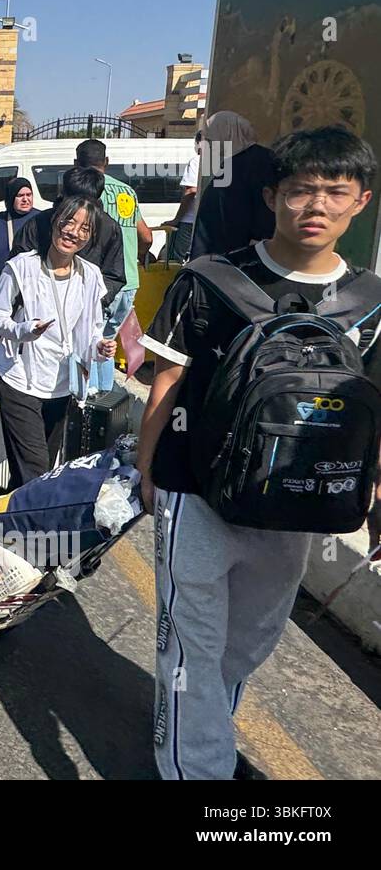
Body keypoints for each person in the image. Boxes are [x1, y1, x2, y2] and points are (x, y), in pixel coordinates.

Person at [137, 125, 381, 781]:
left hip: (294, 508)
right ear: (273, 195)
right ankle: (200, 774)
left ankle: (202, 743)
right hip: (195, 491)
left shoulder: (371, 302)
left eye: (336, 190)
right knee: (190, 649)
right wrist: (147, 468)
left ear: (360, 200)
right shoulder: (211, 279)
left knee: (240, 652)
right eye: (301, 189)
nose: (317, 205)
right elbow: (168, 379)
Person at [0, 194, 118, 487]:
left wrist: (99, 346)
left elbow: (91, 328)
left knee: (31, 472)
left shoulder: (90, 276)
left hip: (60, 384)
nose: (73, 232)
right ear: (55, 221)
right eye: (69, 222)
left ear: (91, 237)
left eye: (85, 228)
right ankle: (28, 528)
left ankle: (12, 522)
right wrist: (24, 331)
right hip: (19, 380)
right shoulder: (21, 267)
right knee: (36, 469)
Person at [73, 139, 152, 392]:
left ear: (76, 164)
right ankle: (105, 397)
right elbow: (147, 237)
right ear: (106, 162)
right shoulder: (127, 192)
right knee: (107, 341)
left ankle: (91, 403)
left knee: (89, 342)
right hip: (128, 281)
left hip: (101, 283)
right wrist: (135, 256)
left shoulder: (88, 193)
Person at [11, 165, 126, 310]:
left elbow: (113, 275)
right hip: (38, 312)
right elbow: (17, 267)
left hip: (86, 311)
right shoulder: (38, 223)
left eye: (85, 229)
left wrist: (95, 301)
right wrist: (35, 301)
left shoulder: (108, 227)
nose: (73, 233)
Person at [189, 110, 275, 259]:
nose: (209, 141)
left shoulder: (253, 165)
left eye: (213, 134)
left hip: (235, 262)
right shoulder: (234, 162)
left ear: (226, 133)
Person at [0, 177, 37, 309]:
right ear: (10, 198)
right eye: (20, 196)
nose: (26, 199)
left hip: (28, 296)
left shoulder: (41, 219)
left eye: (29, 195)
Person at [164, 132, 203, 263]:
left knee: (177, 260)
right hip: (211, 221)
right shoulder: (223, 162)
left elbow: (191, 190)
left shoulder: (197, 161)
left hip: (190, 221)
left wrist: (177, 219)